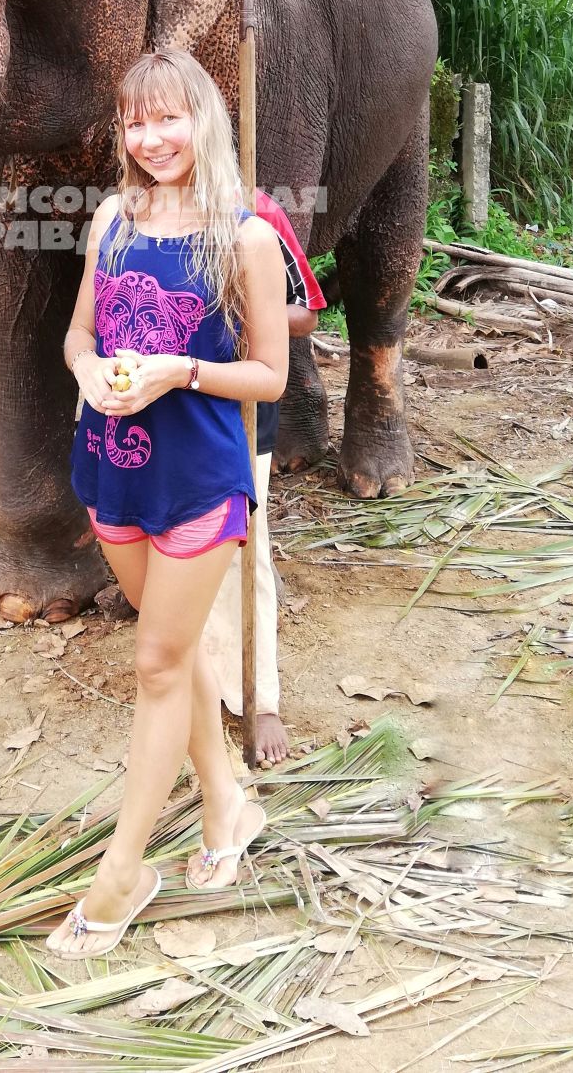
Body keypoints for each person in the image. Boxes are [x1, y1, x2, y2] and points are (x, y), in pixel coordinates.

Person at [46, 49, 290, 960]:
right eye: (135, 123)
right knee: (173, 652)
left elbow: (270, 374)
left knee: (154, 662)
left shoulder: (246, 234)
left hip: (198, 478)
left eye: (169, 119)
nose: (151, 140)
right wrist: (91, 370)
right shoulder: (112, 218)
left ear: (204, 119)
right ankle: (227, 806)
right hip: (113, 465)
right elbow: (78, 331)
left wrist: (179, 371)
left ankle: (122, 872)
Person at [204, 188, 327, 765]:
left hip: (244, 412)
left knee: (246, 546)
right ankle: (197, 687)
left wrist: (242, 309)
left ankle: (259, 695)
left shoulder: (257, 210)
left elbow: (305, 312)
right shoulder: (133, 212)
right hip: (165, 411)